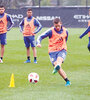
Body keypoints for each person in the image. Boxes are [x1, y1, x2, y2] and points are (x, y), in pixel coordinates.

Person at [37, 18, 71, 86]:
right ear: (54, 25)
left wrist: (63, 46)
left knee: (59, 62)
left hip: (62, 50)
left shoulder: (65, 31)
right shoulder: (50, 31)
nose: (57, 27)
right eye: (56, 26)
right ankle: (67, 80)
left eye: (58, 25)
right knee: (58, 68)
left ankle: (57, 66)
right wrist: (38, 43)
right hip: (52, 52)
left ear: (61, 23)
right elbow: (40, 36)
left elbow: (65, 40)